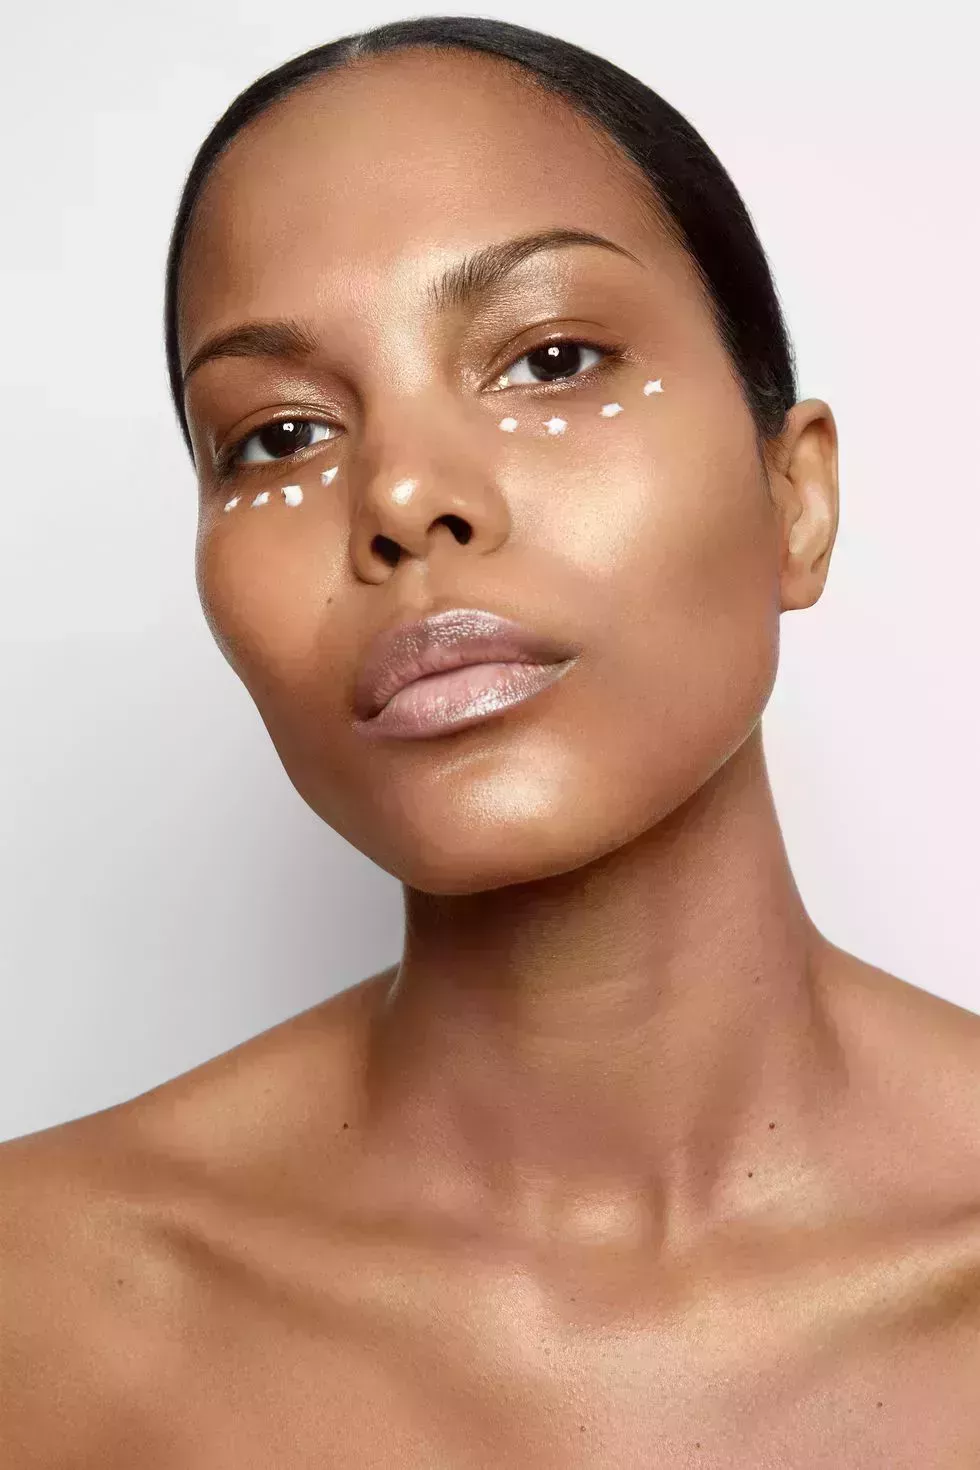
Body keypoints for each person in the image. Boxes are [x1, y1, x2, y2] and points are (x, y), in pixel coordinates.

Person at [3, 16, 978, 1466]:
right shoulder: (46, 1303)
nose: (401, 495)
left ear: (797, 498)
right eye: (276, 437)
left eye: (552, 356)